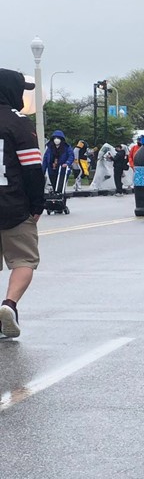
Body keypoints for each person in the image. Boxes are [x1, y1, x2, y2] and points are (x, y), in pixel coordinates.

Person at [0, 69, 44, 339]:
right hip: (13, 202)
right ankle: (9, 305)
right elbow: (32, 168)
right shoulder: (19, 123)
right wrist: (37, 205)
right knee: (24, 259)